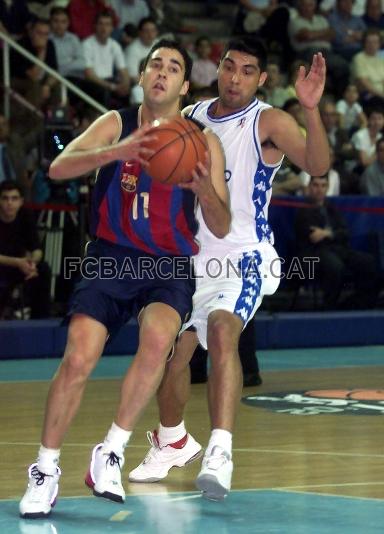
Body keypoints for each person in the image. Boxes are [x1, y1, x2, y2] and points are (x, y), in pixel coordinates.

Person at [19, 38, 230, 518]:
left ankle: (111, 450)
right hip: (113, 256)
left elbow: (219, 222)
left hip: (169, 263)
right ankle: (45, 468)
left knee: (158, 341)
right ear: (141, 76)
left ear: (184, 84)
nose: (162, 72)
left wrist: (204, 190)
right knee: (78, 356)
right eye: (155, 64)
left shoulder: (202, 142)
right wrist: (117, 152)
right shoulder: (115, 123)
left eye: (173, 67)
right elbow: (57, 167)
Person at [129, 38, 330, 500]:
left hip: (243, 256)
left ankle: (220, 450)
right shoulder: (192, 118)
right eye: (229, 67)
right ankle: (172, 440)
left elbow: (318, 164)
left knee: (222, 331)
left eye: (247, 71)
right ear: (216, 68)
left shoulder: (268, 121)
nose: (235, 77)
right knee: (168, 357)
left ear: (261, 79)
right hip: (192, 259)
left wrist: (311, 111)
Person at [294, 174, 377, 309]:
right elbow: (314, 237)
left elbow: (345, 232)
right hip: (315, 253)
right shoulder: (303, 211)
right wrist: (333, 233)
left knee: (368, 261)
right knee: (335, 266)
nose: (319, 189)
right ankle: (330, 307)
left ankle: (357, 304)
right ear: (309, 187)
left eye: (323, 185)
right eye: (315, 185)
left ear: (327, 188)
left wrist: (327, 233)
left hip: (338, 249)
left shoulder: (332, 209)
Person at [0, 181, 51, 318]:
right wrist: (18, 262)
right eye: (5, 198)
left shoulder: (26, 215)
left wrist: (32, 263)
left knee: (43, 269)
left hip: (20, 266)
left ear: (21, 201)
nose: (9, 203)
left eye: (14, 198)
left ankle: (40, 320)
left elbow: (36, 248)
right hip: (5, 264)